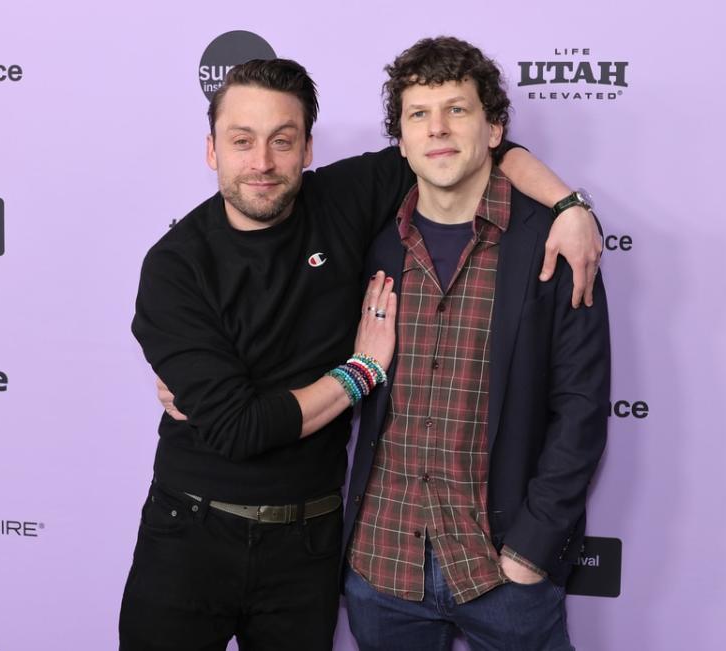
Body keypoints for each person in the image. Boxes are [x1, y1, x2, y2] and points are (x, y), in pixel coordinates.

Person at [125, 56, 601, 651]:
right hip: (191, 531)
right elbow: (239, 427)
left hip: (310, 545)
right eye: (241, 142)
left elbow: (467, 146)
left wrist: (569, 207)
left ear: (307, 149)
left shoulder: (346, 199)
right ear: (211, 150)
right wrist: (361, 371)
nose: (262, 163)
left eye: (283, 140)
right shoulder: (174, 265)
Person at [341, 37, 611, 651]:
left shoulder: (554, 246)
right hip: (381, 569)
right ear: (401, 139)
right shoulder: (372, 245)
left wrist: (532, 551)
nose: (437, 130)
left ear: (494, 130)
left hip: (504, 574)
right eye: (419, 115)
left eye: (457, 110)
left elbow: (582, 408)